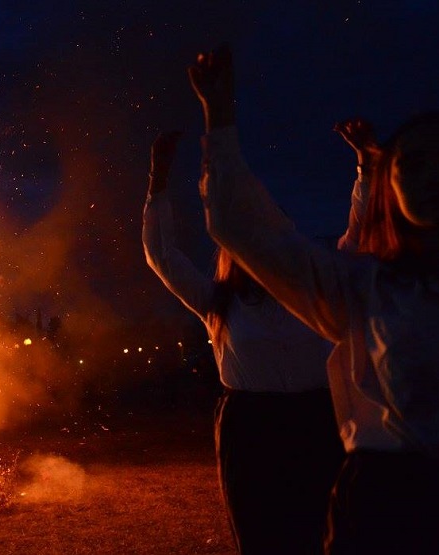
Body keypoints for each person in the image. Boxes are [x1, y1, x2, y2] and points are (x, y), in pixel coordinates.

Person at [188, 43, 439, 554]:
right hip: (392, 500)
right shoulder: (365, 287)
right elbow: (243, 230)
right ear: (394, 189)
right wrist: (220, 120)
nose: (429, 175)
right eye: (410, 164)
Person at [142, 131, 343, 554]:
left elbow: (361, 245)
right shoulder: (220, 303)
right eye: (250, 240)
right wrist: (158, 178)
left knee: (328, 535)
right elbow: (163, 254)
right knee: (262, 536)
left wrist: (368, 169)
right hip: (252, 426)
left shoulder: (317, 291)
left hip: (319, 419)